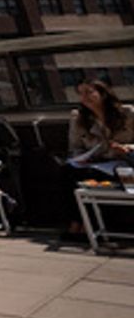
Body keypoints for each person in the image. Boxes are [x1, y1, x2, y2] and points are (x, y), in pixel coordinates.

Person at [61, 79, 134, 238]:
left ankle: (86, 226)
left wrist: (127, 148)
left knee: (84, 176)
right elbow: (75, 147)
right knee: (68, 171)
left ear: (103, 94)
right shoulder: (79, 118)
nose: (84, 97)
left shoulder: (128, 114)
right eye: (81, 93)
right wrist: (80, 158)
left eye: (89, 92)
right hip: (96, 162)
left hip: (123, 162)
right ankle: (79, 223)